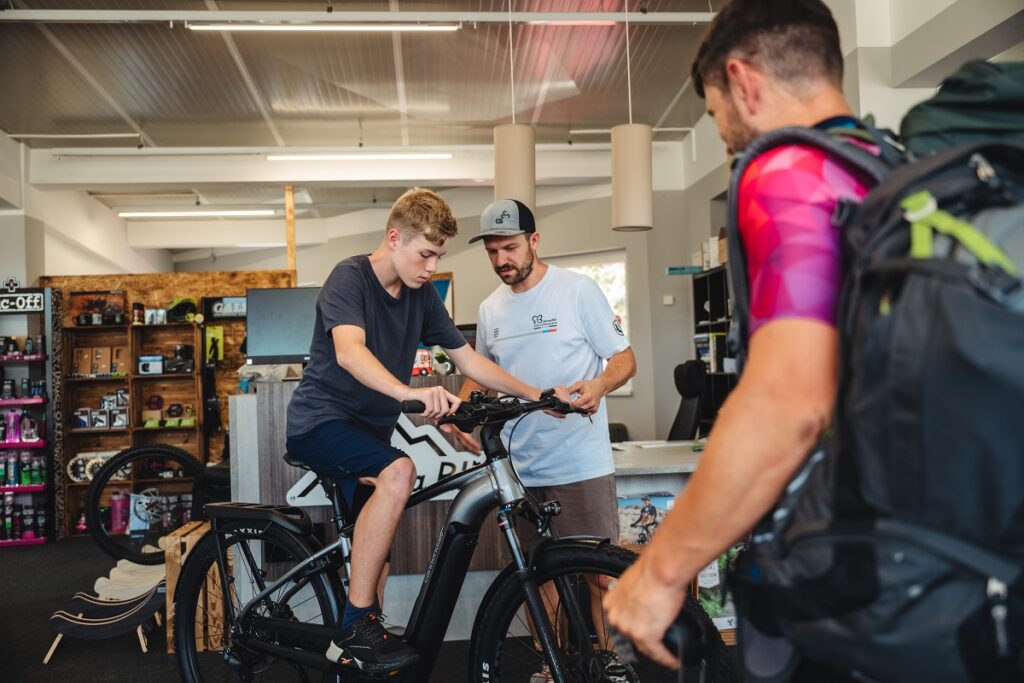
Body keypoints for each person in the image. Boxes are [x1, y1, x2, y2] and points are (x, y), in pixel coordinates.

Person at [604, 2, 875, 680]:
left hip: (828, 563)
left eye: (715, 111)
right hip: (927, 559)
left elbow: (789, 401)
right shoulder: (886, 168)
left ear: (744, 83)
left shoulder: (785, 173)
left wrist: (660, 571)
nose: (725, 136)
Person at [285, 188, 567, 674]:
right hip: (319, 423)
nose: (433, 266)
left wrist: (538, 394)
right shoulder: (348, 279)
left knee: (376, 560)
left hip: (365, 434)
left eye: (439, 255)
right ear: (394, 238)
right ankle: (355, 623)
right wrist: (408, 395)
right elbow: (351, 352)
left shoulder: (420, 296)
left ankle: (358, 641)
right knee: (400, 472)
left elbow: (468, 358)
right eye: (426, 254)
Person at [447, 198, 636, 681]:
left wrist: (598, 385)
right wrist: (459, 414)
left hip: (580, 464)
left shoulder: (577, 291)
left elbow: (623, 360)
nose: (501, 260)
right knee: (533, 578)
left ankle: (612, 664)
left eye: (509, 248)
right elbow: (481, 376)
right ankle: (553, 666)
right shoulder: (491, 309)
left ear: (534, 241)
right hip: (519, 470)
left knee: (598, 574)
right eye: (492, 251)